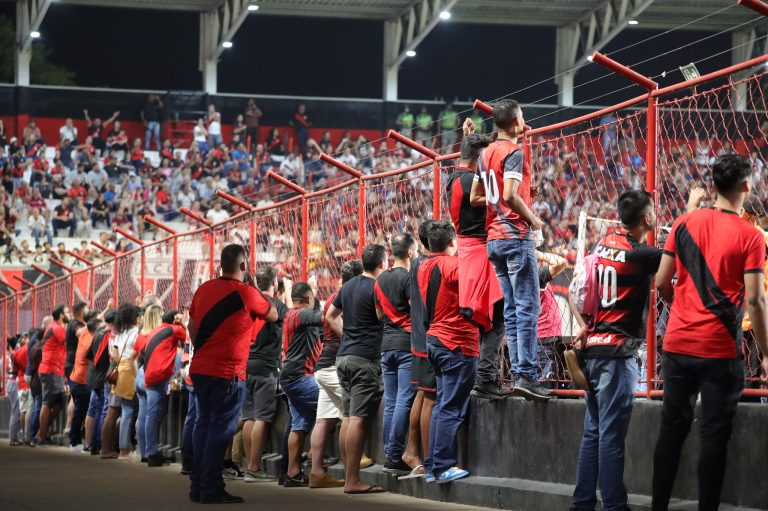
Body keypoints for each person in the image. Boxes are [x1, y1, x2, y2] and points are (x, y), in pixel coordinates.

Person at [652, 154, 768, 510]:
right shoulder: (752, 236)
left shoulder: (683, 223)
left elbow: (661, 282)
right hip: (719, 348)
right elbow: (755, 300)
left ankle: (658, 507)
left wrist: (681, 309)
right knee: (714, 434)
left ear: (712, 185)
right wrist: (767, 353)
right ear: (746, 186)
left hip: (677, 343)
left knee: (672, 428)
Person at [570, 190, 661, 511]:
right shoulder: (644, 255)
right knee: (610, 436)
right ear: (647, 218)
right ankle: (614, 506)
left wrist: (585, 322)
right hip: (619, 356)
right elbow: (675, 257)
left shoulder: (603, 243)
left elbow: (578, 288)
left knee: (593, 433)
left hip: (593, 349)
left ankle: (581, 504)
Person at [471, 99, 551, 401]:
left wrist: (504, 201)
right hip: (516, 236)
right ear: (515, 122)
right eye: (523, 116)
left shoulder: (486, 153)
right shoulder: (514, 151)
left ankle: (521, 374)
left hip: (494, 240)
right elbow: (508, 194)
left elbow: (476, 196)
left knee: (513, 311)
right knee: (528, 307)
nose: (525, 120)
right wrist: (533, 220)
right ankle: (527, 375)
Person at [187, 244, 277, 505]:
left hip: (201, 367)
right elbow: (271, 313)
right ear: (243, 266)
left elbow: (193, 328)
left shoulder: (203, 290)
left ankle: (198, 485)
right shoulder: (246, 293)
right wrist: (254, 287)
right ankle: (211, 487)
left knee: (203, 424)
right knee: (221, 429)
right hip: (228, 371)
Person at [451, 123, 511, 399]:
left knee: (483, 320)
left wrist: (469, 140)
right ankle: (485, 377)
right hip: (480, 252)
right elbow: (482, 194)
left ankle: (480, 375)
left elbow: (468, 161)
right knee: (495, 318)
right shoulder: (471, 182)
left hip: (468, 252)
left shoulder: (455, 177)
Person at [325, 244, 388, 494]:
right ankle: (352, 480)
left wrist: (347, 336)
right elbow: (381, 315)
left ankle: (347, 473)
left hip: (344, 357)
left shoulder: (348, 286)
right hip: (364, 360)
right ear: (382, 264)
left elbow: (330, 315)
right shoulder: (376, 287)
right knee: (358, 420)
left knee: (348, 417)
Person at [418, 220, 477, 484]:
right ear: (452, 242)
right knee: (450, 407)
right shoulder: (452, 265)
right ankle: (443, 466)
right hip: (456, 343)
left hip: (435, 341)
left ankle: (432, 466)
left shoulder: (424, 266)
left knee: (442, 404)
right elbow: (473, 283)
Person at [309, 259, 363, 489]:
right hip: (333, 365)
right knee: (351, 415)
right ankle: (350, 461)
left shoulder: (335, 297)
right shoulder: (349, 297)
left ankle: (317, 472)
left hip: (323, 365)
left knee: (324, 419)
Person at [375, 233, 421, 474]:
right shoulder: (410, 278)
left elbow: (379, 315)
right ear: (411, 253)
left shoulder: (380, 280)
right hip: (405, 344)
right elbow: (417, 311)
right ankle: (394, 455)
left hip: (386, 345)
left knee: (391, 401)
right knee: (404, 398)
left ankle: (388, 453)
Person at [242, 267, 290, 483]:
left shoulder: (250, 302)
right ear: (275, 282)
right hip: (266, 366)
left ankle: (248, 466)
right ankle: (253, 468)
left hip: (246, 364)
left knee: (249, 416)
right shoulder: (277, 305)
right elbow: (293, 319)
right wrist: (287, 292)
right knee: (262, 417)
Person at [281, 281, 324, 487]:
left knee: (299, 424)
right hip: (300, 376)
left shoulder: (290, 314)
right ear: (308, 299)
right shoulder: (301, 314)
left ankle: (293, 472)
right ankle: (318, 463)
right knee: (332, 411)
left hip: (290, 376)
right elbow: (324, 318)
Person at [143, 310, 187, 467]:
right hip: (159, 375)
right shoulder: (174, 329)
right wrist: (182, 323)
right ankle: (151, 454)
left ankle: (151, 451)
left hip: (150, 374)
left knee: (155, 414)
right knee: (153, 414)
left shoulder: (156, 329)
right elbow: (189, 336)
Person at [112, 304, 143, 459]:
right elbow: (135, 357)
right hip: (131, 369)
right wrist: (138, 377)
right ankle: (125, 449)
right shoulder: (136, 333)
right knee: (130, 412)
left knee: (125, 411)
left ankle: (124, 448)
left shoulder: (120, 333)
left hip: (120, 369)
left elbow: (115, 355)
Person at [36, 305, 70, 445]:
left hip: (52, 369)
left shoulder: (52, 326)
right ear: (61, 315)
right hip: (51, 369)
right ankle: (41, 437)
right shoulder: (57, 328)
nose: (69, 314)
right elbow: (68, 344)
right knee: (47, 403)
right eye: (67, 312)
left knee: (57, 403)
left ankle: (40, 434)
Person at [134, 304, 163, 463]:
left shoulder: (141, 335)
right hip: (151, 376)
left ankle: (144, 452)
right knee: (152, 415)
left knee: (143, 415)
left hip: (140, 373)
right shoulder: (158, 334)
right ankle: (152, 452)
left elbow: (137, 356)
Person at [85, 309, 115, 456]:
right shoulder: (109, 336)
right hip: (103, 377)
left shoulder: (98, 333)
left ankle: (95, 446)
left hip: (95, 376)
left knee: (97, 411)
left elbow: (88, 355)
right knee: (104, 411)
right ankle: (102, 446)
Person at [536, 251, 568, 386]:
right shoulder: (534, 276)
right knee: (545, 384)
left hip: (545, 335)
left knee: (547, 381)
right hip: (544, 337)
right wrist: (540, 254)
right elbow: (561, 262)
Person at [67, 308, 96, 452]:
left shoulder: (84, 333)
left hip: (76, 378)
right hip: (82, 381)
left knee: (80, 411)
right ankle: (74, 441)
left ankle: (75, 440)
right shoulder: (91, 341)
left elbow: (88, 326)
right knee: (81, 411)